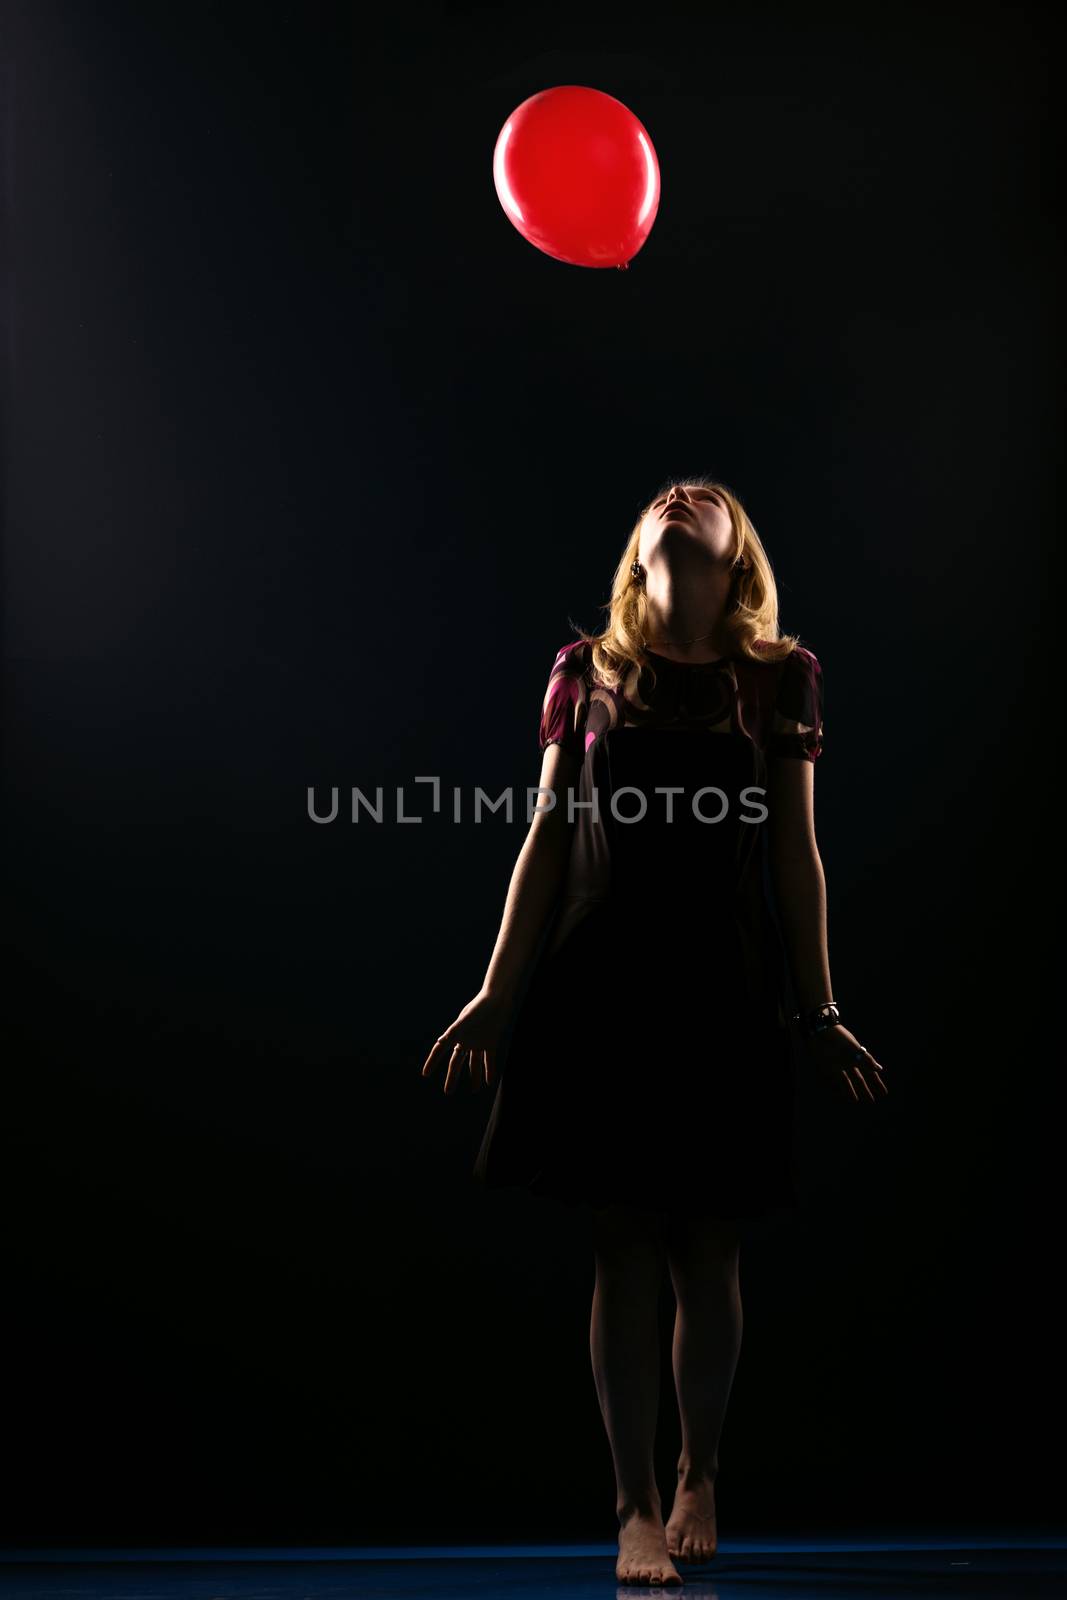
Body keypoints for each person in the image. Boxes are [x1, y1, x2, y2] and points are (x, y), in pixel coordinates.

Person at [420, 476, 888, 1587]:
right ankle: (630, 1503)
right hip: (604, 982)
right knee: (623, 1243)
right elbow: (543, 837)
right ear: (638, 552)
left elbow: (793, 855)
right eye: (665, 499)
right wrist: (495, 988)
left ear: (738, 557)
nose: (683, 495)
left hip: (723, 982)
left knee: (709, 1240)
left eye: (708, 496)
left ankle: (699, 1470)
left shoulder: (779, 678)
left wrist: (815, 1006)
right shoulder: (586, 671)